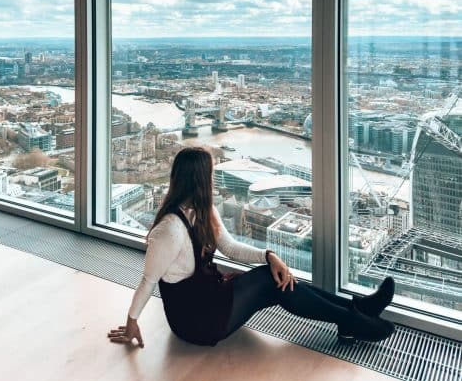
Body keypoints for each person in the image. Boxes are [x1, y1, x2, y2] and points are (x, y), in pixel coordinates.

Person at [108, 147, 395, 348]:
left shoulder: (203, 210)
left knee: (272, 277)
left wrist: (270, 256)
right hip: (195, 322)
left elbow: (230, 248)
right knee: (269, 280)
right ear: (200, 179)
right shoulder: (169, 230)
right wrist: (131, 321)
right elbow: (148, 280)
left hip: (210, 299)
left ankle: (356, 311)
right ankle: (352, 318)